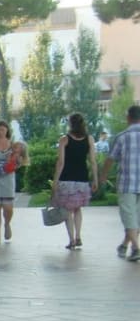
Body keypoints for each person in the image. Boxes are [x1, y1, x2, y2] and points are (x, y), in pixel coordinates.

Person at [52, 112, 98, 250]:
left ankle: (71, 239)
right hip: (82, 179)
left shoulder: (64, 140)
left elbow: (60, 162)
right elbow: (93, 161)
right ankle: (78, 236)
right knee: (77, 209)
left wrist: (55, 180)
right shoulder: (89, 139)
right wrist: (95, 178)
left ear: (70, 124)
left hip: (66, 179)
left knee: (67, 210)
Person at [101, 105, 140, 260]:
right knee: (135, 218)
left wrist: (103, 176)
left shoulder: (122, 136)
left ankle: (136, 248)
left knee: (129, 216)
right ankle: (124, 245)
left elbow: (110, 159)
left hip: (127, 183)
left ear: (128, 118)